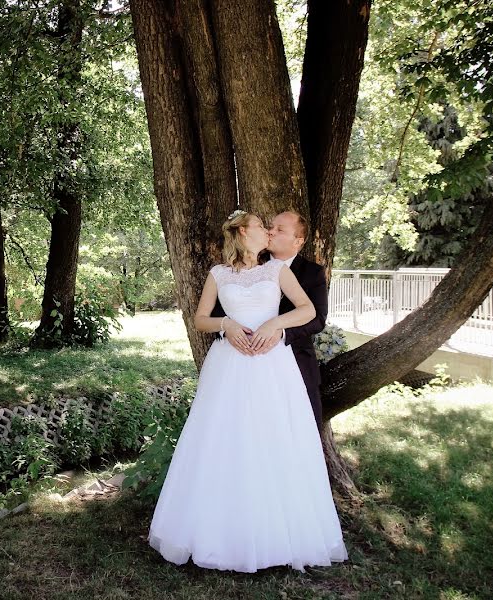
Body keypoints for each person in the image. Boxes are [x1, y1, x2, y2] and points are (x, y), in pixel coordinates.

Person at [147, 210, 348, 573]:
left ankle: (277, 534)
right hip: (230, 365)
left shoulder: (277, 270)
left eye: (272, 228)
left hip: (272, 365)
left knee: (273, 439)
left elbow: (307, 310)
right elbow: (200, 318)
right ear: (243, 232)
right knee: (224, 439)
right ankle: (218, 531)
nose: (267, 232)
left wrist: (275, 323)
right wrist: (226, 324)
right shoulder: (218, 274)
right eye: (261, 226)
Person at [212, 210, 328, 430]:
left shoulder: (312, 272)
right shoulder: (247, 263)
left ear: (298, 241)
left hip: (296, 361)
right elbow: (220, 308)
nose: (270, 232)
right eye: (269, 227)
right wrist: (227, 330)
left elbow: (318, 318)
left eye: (279, 229)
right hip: (242, 360)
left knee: (298, 432)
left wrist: (280, 331)